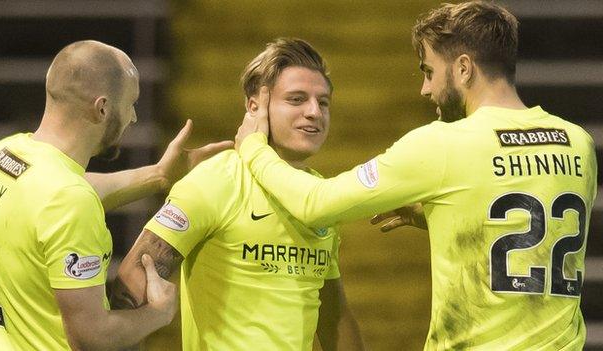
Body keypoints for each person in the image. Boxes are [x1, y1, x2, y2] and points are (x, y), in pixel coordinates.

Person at [235, 2, 597, 350]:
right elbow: (537, 228)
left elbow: (315, 204)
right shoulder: (576, 142)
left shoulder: (443, 143)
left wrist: (254, 147)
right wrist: (438, 218)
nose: (425, 88)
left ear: (464, 68)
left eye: (429, 71)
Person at [112, 38, 364, 351]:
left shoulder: (316, 193)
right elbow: (131, 283)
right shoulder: (216, 180)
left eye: (323, 102)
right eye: (297, 99)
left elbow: (332, 315)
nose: (314, 112)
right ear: (254, 106)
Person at [0, 40, 231, 350]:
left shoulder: (7, 154)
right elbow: (91, 337)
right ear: (102, 108)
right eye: (131, 103)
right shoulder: (69, 201)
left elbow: (72, 192)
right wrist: (158, 313)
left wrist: (158, 175)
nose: (134, 117)